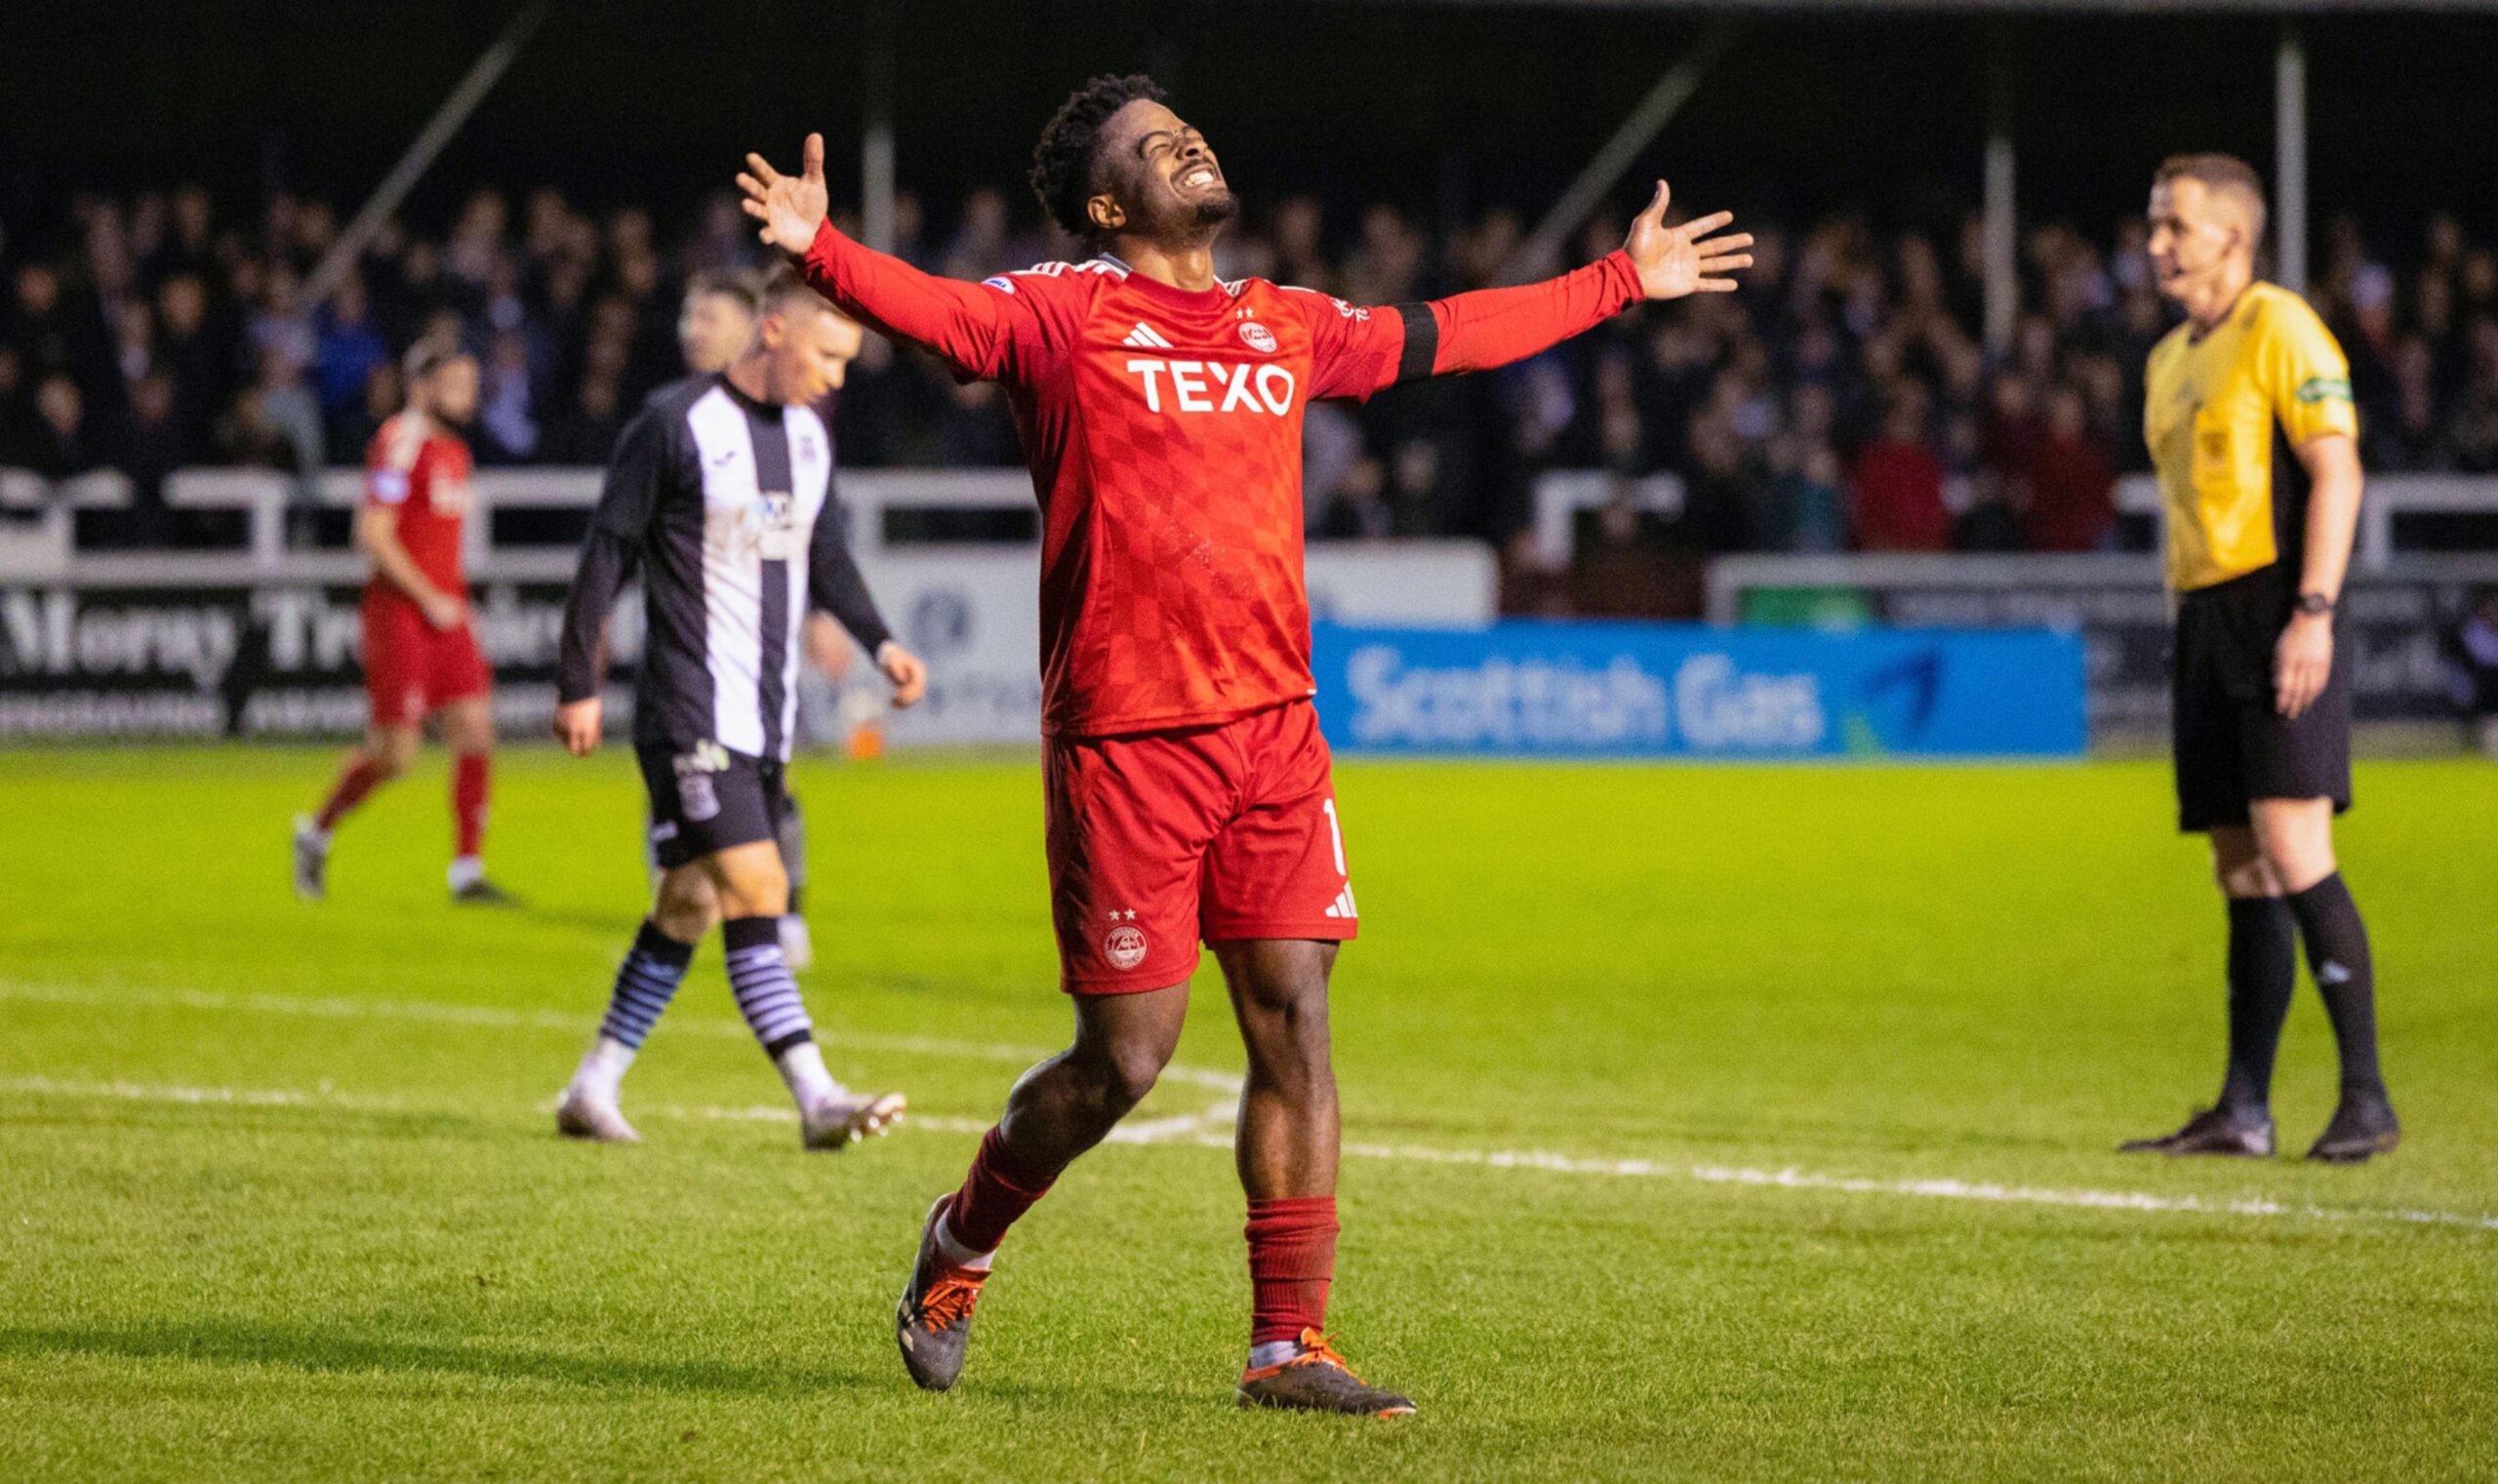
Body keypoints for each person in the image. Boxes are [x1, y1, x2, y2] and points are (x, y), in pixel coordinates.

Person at [737, 73, 1751, 1414]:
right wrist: (824, 249)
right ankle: (961, 1236)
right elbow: (943, 317)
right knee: (1126, 1061)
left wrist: (1620, 279)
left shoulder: (1283, 322)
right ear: (1110, 202)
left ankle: (1288, 1346)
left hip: (1275, 735)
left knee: (1298, 1028)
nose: (1193, 146)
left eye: (1194, 132)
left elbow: (1444, 333)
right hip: (1128, 739)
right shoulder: (1064, 308)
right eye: (1159, 146)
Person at [548, 268, 929, 1151]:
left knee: (688, 904)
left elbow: (824, 555)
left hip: (764, 712)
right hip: (687, 707)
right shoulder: (676, 425)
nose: (837, 376)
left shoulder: (805, 439)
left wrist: (880, 641)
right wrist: (578, 681)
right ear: (774, 331)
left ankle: (591, 1084)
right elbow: (605, 553)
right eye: (828, 354)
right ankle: (817, 1093)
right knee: (760, 885)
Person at [2120, 153, 2397, 1164]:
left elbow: (2336, 470)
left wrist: (2313, 613)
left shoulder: (2279, 327)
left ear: (2234, 238)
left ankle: (2365, 1098)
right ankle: (2243, 1110)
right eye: (2154, 226)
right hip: (2203, 618)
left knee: (2293, 848)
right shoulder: (2167, 358)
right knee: (2239, 869)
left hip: (2278, 605)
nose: (2155, 244)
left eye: (2175, 226)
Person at [293, 340, 514, 904]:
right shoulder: (400, 440)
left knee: (476, 730)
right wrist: (429, 597)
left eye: (472, 384)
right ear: (422, 387)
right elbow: (373, 535)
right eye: (455, 384)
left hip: (448, 612)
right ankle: (316, 831)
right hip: (400, 613)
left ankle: (467, 871)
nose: (468, 396)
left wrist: (452, 600)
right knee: (396, 754)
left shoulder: (456, 452)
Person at [671, 271, 842, 970]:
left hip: (756, 646)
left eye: (707, 314)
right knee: (683, 780)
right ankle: (692, 892)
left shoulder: (791, 422)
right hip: (684, 649)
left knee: (774, 774)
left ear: (752, 329)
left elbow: (813, 530)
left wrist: (825, 610)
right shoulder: (672, 420)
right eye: (688, 314)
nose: (692, 329)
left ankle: (785, 909)